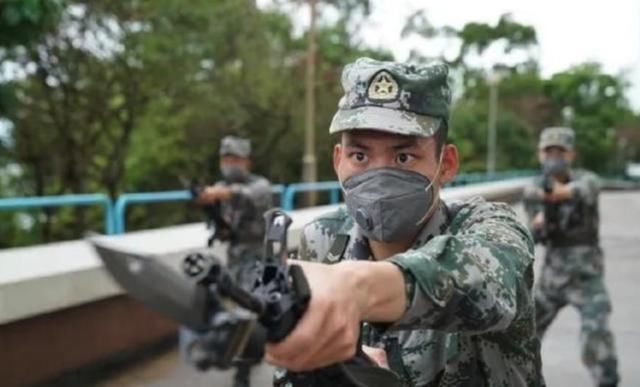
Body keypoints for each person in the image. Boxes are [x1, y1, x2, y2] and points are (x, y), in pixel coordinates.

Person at [266, 58, 544, 386]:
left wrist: (355, 288)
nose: (379, 175)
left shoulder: (488, 225)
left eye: (403, 157)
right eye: (360, 156)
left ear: (447, 164)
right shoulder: (322, 240)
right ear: (338, 162)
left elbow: (487, 280)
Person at [523, 127, 619, 387]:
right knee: (521, 335)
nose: (555, 157)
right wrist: (539, 222)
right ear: (540, 154)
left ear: (572, 154)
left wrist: (560, 193)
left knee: (596, 339)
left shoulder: (585, 179)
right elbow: (531, 232)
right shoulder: (534, 188)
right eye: (549, 151)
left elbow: (589, 188)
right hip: (552, 279)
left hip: (587, 278)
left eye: (561, 152)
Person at [186, 135, 272, 387]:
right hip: (235, 259)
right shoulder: (220, 188)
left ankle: (244, 370)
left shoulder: (260, 185)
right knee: (228, 311)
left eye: (235, 159)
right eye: (225, 159)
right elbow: (226, 223)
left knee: (250, 315)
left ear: (247, 161)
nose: (229, 163)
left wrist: (218, 193)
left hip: (259, 260)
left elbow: (244, 196)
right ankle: (230, 360)